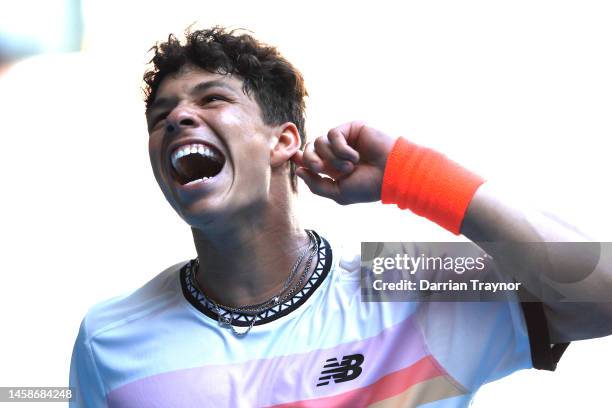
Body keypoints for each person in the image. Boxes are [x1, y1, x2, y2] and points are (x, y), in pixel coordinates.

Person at [69, 26, 612, 407]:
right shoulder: (110, 339)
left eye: (212, 99)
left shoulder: (409, 285)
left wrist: (414, 175)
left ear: (284, 141)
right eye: (162, 115)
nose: (179, 117)